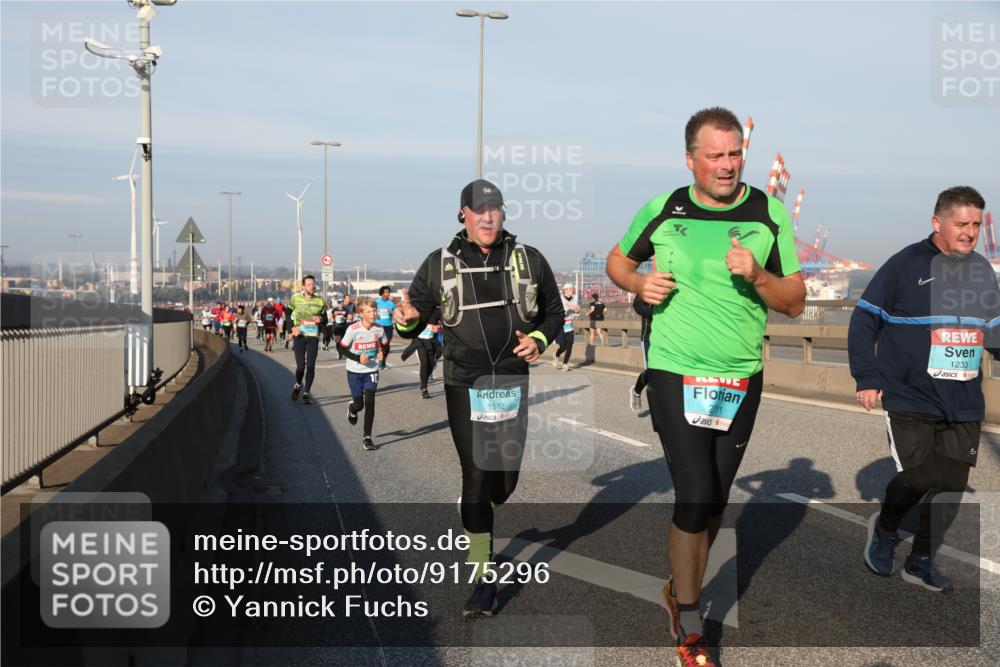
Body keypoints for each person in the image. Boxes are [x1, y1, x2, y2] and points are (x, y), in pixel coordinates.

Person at [606, 107, 805, 664]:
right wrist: (639, 283)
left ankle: (678, 584)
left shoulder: (768, 214)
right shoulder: (665, 208)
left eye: (735, 153)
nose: (726, 166)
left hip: (740, 374)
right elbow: (618, 260)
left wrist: (758, 275)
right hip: (675, 367)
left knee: (714, 501)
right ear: (690, 158)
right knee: (694, 494)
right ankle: (690, 627)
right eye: (714, 155)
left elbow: (794, 301)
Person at [394, 179, 563, 618]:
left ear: (503, 214)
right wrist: (409, 323)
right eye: (479, 209)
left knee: (503, 483)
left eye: (496, 209)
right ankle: (482, 576)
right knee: (476, 474)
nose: (488, 217)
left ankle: (481, 509)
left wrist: (540, 338)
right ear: (463, 214)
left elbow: (555, 311)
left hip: (510, 379)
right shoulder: (439, 265)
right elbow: (413, 317)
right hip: (463, 380)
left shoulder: (529, 259)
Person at [849, 186, 996, 592]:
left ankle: (922, 560)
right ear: (938, 223)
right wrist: (867, 377)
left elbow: (995, 327)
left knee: (949, 487)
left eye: (976, 225)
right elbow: (865, 321)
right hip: (910, 394)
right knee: (917, 477)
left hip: (963, 399)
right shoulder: (905, 264)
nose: (969, 233)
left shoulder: (982, 270)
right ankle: (885, 529)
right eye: (961, 224)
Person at [339, 297, 387, 450]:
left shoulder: (379, 329)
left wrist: (382, 354)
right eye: (369, 311)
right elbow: (341, 348)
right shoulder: (353, 329)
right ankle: (352, 408)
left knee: (370, 402)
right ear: (361, 313)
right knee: (359, 405)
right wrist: (358, 357)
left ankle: (367, 437)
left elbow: (386, 345)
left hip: (371, 370)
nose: (373, 314)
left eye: (374, 311)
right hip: (354, 371)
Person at [289, 275, 327, 405]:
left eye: (314, 284)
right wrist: (292, 328)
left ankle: (306, 393)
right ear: (303, 286)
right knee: (300, 367)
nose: (313, 286)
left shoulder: (320, 301)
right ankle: (298, 384)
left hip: (313, 337)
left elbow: (325, 318)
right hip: (299, 336)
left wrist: (321, 319)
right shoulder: (296, 299)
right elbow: (287, 313)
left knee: (310, 366)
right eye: (310, 284)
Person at [401, 307, 443, 398]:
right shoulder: (417, 310)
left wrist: (439, 327)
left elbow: (445, 324)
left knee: (430, 365)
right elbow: (408, 323)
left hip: (431, 342)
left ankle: (423, 382)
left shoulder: (437, 311)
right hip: (419, 342)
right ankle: (424, 389)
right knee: (424, 364)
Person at [629, 295, 654, 412]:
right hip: (649, 337)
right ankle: (636, 391)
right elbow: (637, 305)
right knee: (651, 371)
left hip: (669, 339)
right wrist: (657, 313)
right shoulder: (650, 285)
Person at [551, 284, 581, 370]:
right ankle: (556, 355)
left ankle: (565, 364)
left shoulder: (575, 298)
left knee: (570, 344)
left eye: (573, 289)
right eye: (571, 289)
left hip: (569, 324)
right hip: (560, 324)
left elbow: (577, 314)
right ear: (565, 290)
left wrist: (578, 311)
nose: (572, 290)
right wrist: (569, 307)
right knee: (563, 345)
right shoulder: (559, 299)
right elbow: (560, 311)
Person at [375, 286, 397, 369]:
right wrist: (375, 315)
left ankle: (383, 362)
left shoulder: (391, 303)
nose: (388, 293)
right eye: (386, 292)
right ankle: (379, 362)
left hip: (388, 326)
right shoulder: (377, 302)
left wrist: (390, 311)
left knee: (386, 346)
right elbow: (372, 311)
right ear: (382, 293)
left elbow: (396, 314)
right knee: (380, 345)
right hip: (378, 326)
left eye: (389, 292)